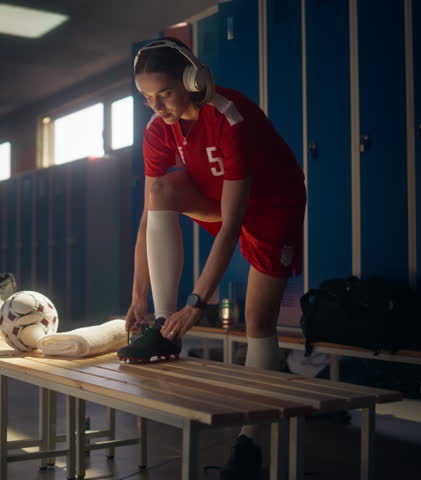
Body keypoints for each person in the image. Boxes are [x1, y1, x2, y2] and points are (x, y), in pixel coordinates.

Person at [115, 37, 306, 478]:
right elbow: (148, 218)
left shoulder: (230, 119)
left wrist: (198, 302)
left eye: (163, 93)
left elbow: (235, 223)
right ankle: (164, 329)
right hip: (216, 197)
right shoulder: (157, 131)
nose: (156, 106)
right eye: (146, 97)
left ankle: (248, 444)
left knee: (258, 321)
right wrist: (139, 299)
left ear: (191, 79)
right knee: (160, 191)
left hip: (270, 208)